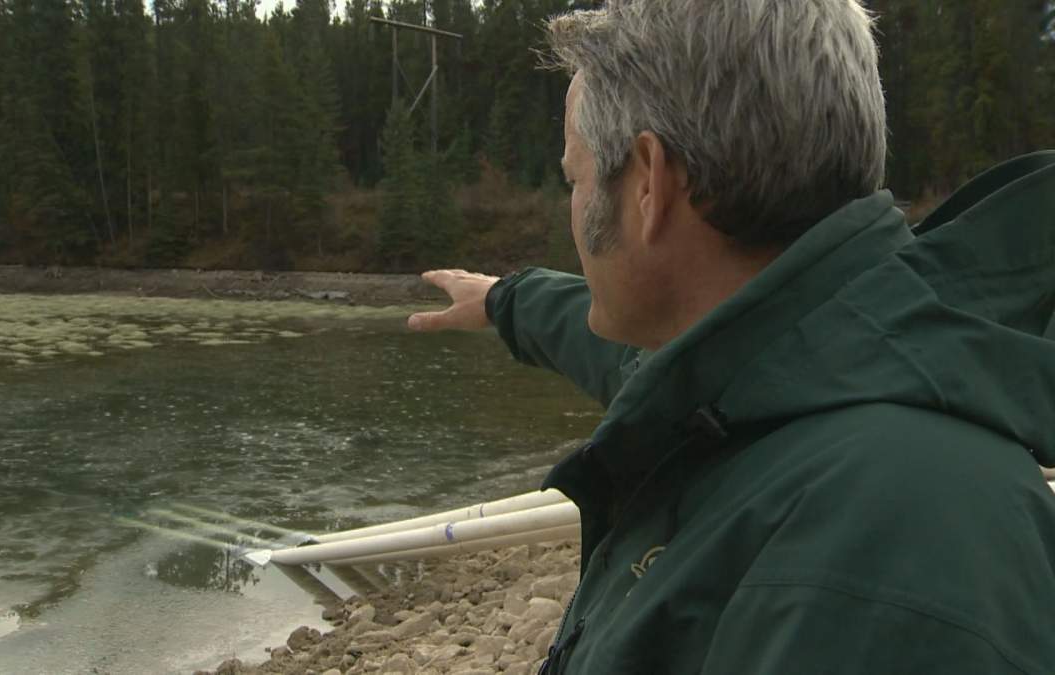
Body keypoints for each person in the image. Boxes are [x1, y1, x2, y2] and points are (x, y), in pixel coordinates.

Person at [408, 1, 1055, 673]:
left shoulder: (884, 552)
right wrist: (502, 300)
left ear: (648, 184)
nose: (572, 201)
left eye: (575, 176)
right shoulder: (805, 363)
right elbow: (622, 356)